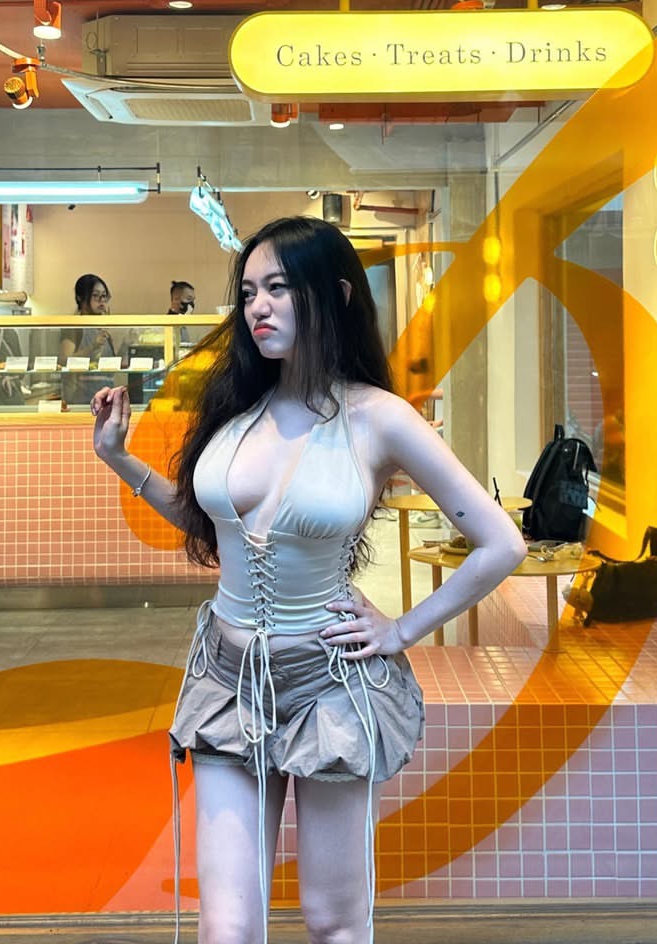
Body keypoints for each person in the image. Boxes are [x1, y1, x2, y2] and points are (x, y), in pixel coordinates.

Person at [91, 217, 526, 944]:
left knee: (333, 921)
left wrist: (402, 630)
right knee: (227, 927)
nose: (257, 307)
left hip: (330, 684)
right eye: (248, 293)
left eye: (279, 288)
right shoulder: (235, 406)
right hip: (227, 680)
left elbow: (500, 543)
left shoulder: (380, 418)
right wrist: (118, 457)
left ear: (336, 294)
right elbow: (206, 523)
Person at [59, 274, 118, 405]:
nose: (101, 301)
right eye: (96, 296)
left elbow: (111, 370)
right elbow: (64, 361)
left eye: (104, 296)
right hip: (82, 402)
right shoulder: (74, 327)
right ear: (80, 298)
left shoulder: (104, 328)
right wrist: (93, 346)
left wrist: (125, 345)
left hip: (106, 401)